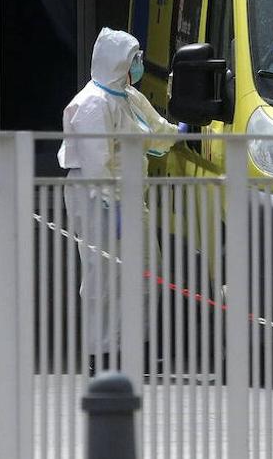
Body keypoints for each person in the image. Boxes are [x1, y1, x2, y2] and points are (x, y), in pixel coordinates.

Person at [58, 27, 180, 368]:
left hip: (127, 198)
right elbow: (98, 164)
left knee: (143, 270)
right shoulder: (93, 104)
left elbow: (155, 131)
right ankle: (102, 352)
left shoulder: (127, 96)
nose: (138, 66)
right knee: (104, 276)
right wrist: (113, 208)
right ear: (117, 61)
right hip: (97, 199)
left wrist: (179, 132)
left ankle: (132, 348)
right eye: (134, 59)